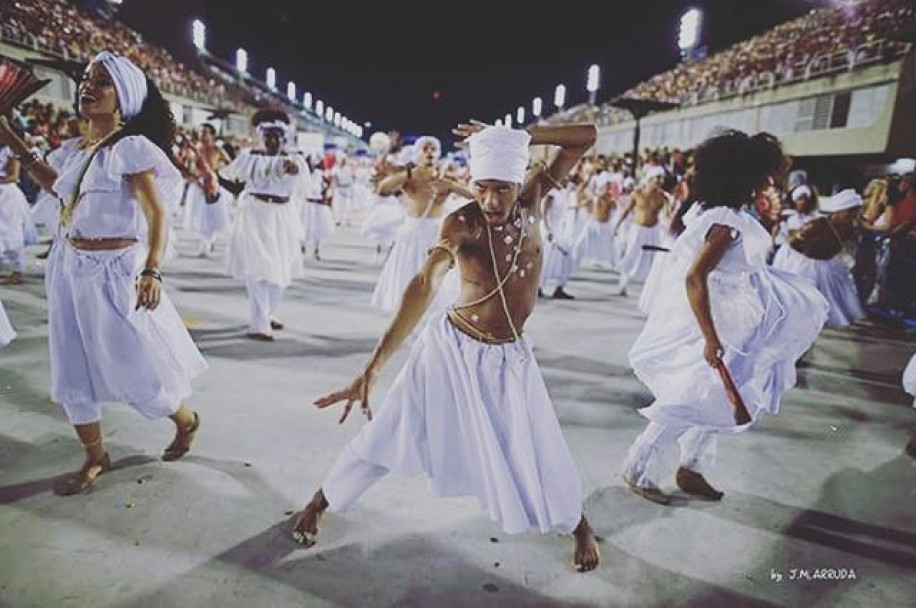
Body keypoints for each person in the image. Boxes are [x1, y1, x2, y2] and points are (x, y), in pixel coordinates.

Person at [291, 122, 601, 572]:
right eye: (481, 187)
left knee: (536, 441)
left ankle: (577, 523)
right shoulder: (463, 222)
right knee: (390, 429)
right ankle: (322, 500)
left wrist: (517, 136)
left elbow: (585, 136)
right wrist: (374, 366)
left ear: (519, 183)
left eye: (502, 189)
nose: (491, 201)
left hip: (510, 356)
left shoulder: (533, 200)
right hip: (451, 349)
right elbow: (425, 282)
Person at [0, 51, 207, 494]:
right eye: (85, 80)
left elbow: (157, 215)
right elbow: (54, 184)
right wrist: (6, 131)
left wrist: (152, 271)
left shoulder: (129, 148)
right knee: (70, 368)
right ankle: (95, 457)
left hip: (116, 273)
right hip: (69, 269)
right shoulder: (79, 151)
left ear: (123, 99)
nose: (87, 88)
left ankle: (186, 420)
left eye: (102, 82)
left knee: (138, 371)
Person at [620, 130, 828, 505]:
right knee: (692, 395)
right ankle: (638, 466)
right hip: (719, 321)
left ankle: (692, 466)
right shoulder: (726, 221)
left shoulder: (733, 215)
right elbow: (694, 277)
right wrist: (711, 338)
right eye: (766, 176)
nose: (772, 182)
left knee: (724, 396)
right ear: (746, 178)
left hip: (740, 318)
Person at [222, 109, 307, 341]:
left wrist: (290, 168)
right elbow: (231, 178)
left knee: (281, 270)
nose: (272, 141)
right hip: (254, 215)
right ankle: (258, 323)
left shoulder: (295, 160)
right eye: (268, 136)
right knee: (257, 268)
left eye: (277, 137)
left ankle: (267, 313)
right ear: (262, 136)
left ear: (284, 138)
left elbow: (302, 182)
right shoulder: (250, 158)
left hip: (282, 218)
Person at [370, 135, 473, 312]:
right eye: (425, 149)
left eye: (433, 149)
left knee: (438, 283)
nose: (429, 153)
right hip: (412, 234)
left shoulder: (445, 179)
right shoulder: (408, 178)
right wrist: (409, 173)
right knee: (407, 277)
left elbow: (473, 197)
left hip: (437, 234)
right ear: (417, 153)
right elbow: (382, 188)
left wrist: (450, 184)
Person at [771, 189, 865, 328]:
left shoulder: (850, 228)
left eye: (854, 213)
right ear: (838, 211)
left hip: (827, 264)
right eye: (849, 212)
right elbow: (793, 242)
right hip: (806, 264)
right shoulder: (817, 224)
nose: (852, 216)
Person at [613, 166, 669, 296]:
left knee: (653, 258)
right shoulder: (637, 193)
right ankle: (623, 284)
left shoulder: (662, 197)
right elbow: (627, 210)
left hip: (653, 229)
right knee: (631, 254)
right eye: (658, 178)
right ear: (650, 179)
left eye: (662, 178)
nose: (660, 181)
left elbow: (667, 214)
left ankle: (650, 288)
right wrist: (617, 225)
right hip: (638, 229)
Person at [180, 123, 232, 257]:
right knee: (200, 217)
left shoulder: (217, 149)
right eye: (201, 132)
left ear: (211, 134)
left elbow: (229, 163)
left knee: (211, 216)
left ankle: (209, 240)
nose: (202, 135)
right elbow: (186, 166)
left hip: (212, 186)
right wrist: (193, 176)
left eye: (205, 132)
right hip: (198, 186)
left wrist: (218, 172)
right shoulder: (193, 149)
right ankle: (204, 242)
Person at [0, 144, 36, 284]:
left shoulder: (10, 151)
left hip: (6, 195)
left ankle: (17, 271)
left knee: (10, 231)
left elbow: (13, 177)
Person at [300, 156, 334, 261]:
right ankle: (302, 245)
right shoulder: (302, 175)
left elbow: (327, 186)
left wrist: (326, 195)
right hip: (307, 204)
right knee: (304, 226)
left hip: (318, 204)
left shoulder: (321, 175)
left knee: (319, 228)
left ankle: (316, 249)